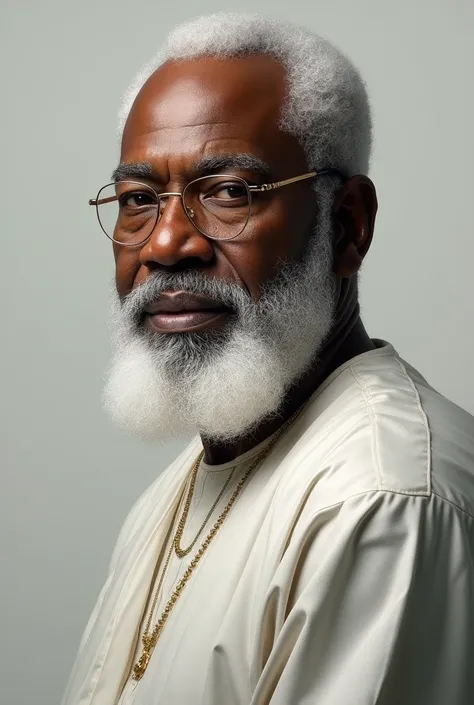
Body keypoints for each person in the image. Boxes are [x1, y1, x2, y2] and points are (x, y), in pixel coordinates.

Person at [62, 12, 474, 705]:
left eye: (227, 192)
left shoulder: (381, 501)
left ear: (348, 225)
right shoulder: (180, 486)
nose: (166, 243)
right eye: (138, 200)